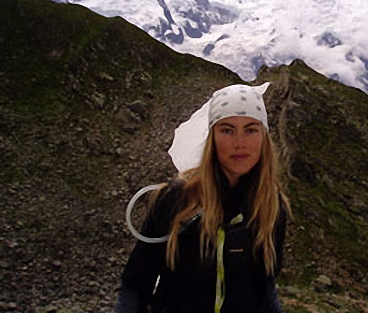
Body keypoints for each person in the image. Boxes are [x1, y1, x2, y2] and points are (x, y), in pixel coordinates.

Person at [114, 83, 289, 313]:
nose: (240, 143)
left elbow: (265, 288)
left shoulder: (271, 207)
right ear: (212, 137)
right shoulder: (175, 200)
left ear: (264, 137)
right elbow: (135, 286)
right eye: (227, 130)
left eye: (251, 130)